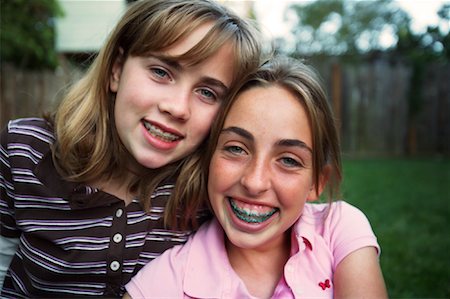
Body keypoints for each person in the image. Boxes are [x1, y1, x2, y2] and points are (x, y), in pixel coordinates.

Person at [0, 0, 262, 297]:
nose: (177, 108)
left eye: (207, 92)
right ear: (116, 70)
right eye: (161, 72)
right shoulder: (25, 151)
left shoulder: (208, 195)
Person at [124, 56, 388, 298]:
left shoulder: (338, 229)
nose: (254, 182)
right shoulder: (162, 284)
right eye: (236, 149)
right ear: (208, 160)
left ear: (317, 183)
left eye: (288, 160)